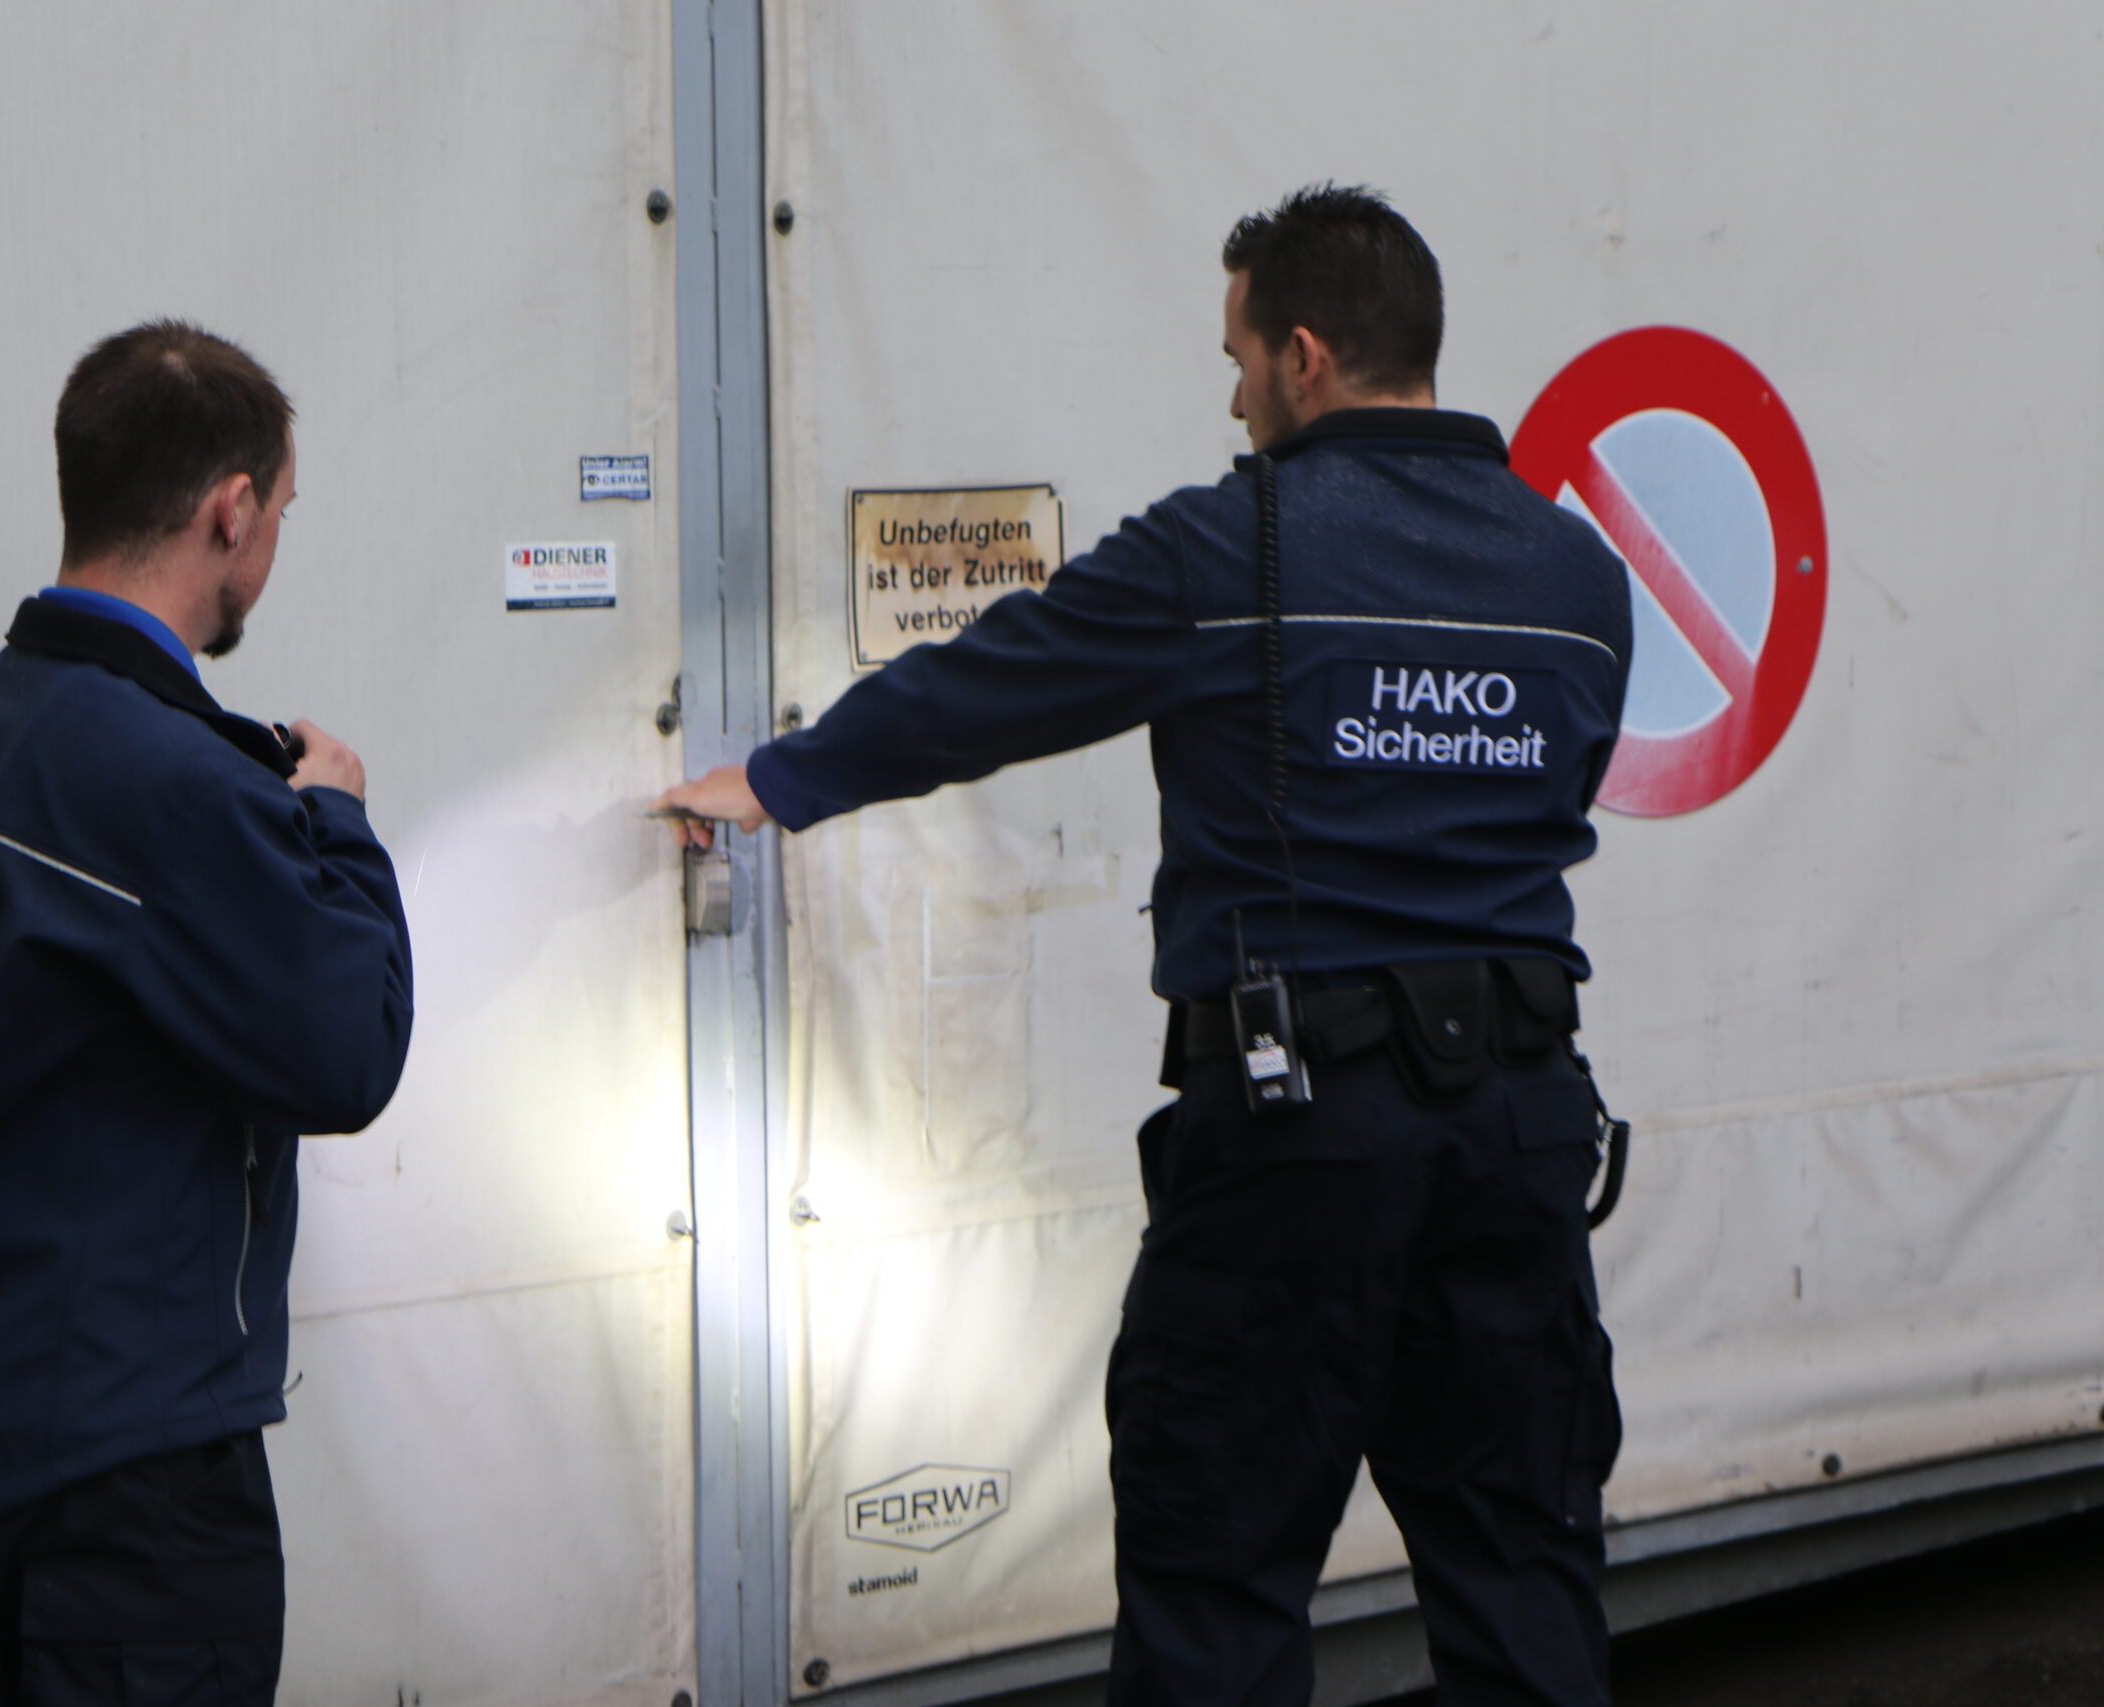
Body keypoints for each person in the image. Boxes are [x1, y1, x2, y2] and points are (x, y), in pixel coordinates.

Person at [657, 185, 1634, 1706]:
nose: (1234, 399)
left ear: (1305, 356)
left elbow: (993, 686)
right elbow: (1558, 792)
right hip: (1520, 1129)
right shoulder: (1579, 579)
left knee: (1217, 1586)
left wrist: (781, 779)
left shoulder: (1228, 548)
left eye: (1239, 360)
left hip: (1299, 1135)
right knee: (1525, 1577)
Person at [0, 320, 415, 1706]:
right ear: (232, 510)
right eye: (282, 513)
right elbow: (347, 1053)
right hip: (126, 1508)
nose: (273, 543)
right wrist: (338, 825)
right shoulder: (175, 784)